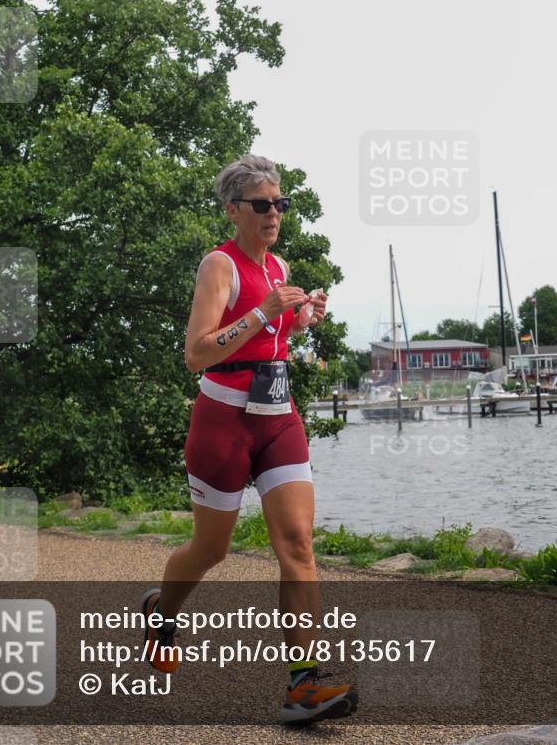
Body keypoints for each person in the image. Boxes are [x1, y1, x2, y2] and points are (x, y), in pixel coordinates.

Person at [140, 154, 358, 724]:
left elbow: (270, 336)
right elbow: (196, 353)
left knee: (299, 545)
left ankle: (303, 686)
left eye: (279, 204)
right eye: (261, 205)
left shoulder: (279, 266)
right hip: (223, 421)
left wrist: (301, 318)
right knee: (210, 550)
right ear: (233, 210)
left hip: (279, 416)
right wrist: (263, 313)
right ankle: (162, 613)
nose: (273, 213)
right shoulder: (220, 266)